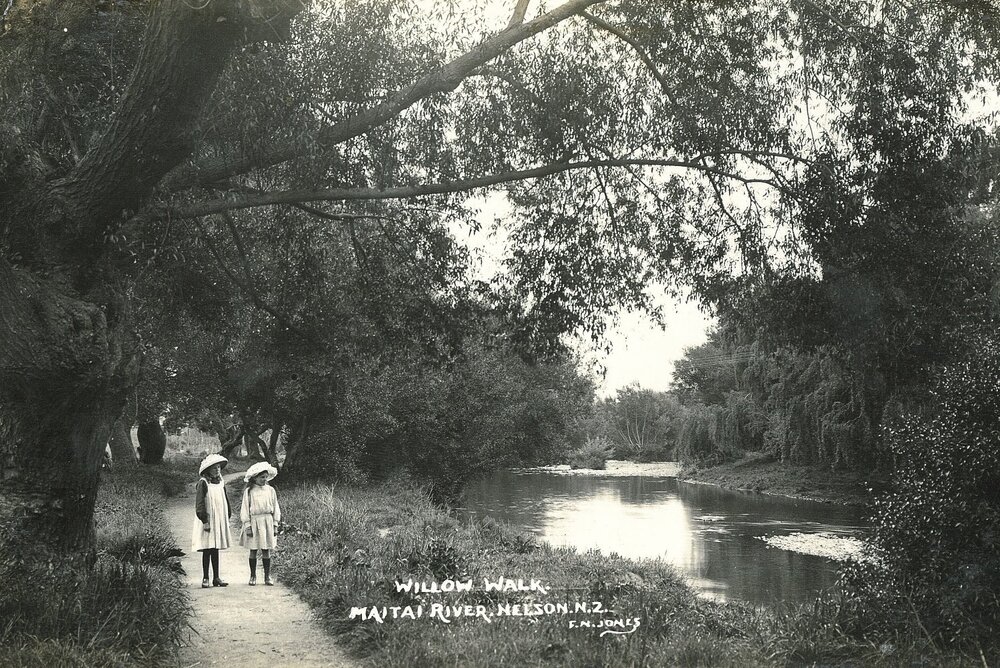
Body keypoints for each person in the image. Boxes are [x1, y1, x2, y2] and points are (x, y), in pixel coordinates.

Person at [191, 453, 233, 588]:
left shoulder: (220, 483)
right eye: (214, 468)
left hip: (218, 519)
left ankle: (216, 577)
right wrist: (205, 520)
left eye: (219, 468)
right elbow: (200, 503)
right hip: (208, 520)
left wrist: (227, 516)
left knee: (215, 548)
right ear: (207, 470)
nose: (217, 470)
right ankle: (205, 577)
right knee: (207, 548)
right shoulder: (203, 483)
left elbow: (225, 500)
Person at [240, 461, 281, 586]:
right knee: (253, 549)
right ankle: (253, 576)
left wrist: (275, 524)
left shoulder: (270, 490)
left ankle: (267, 576)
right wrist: (247, 525)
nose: (264, 479)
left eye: (265, 477)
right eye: (261, 477)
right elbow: (245, 509)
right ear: (254, 478)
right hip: (254, 522)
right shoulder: (249, 491)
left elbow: (276, 507)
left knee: (266, 549)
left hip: (267, 521)